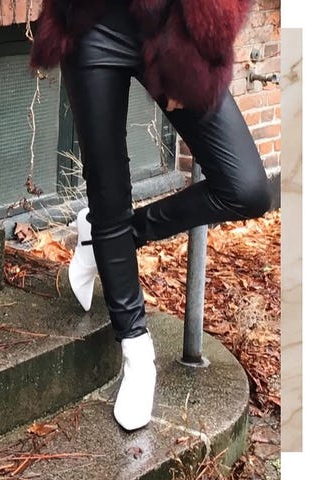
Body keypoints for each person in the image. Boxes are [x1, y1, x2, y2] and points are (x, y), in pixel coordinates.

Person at [29, 0, 271, 431]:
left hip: (166, 29)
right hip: (90, 24)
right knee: (108, 189)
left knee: (246, 188)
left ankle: (106, 238)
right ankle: (137, 351)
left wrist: (189, 48)